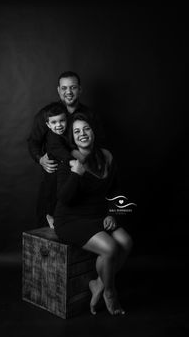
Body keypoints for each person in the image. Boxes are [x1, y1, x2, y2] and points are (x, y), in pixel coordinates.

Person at [53, 113, 133, 316]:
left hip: (97, 215)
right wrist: (76, 173)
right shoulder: (68, 162)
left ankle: (97, 283)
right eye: (77, 131)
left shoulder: (106, 156)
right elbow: (64, 199)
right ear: (72, 137)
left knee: (126, 241)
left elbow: (115, 190)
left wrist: (113, 213)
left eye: (86, 129)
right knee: (110, 247)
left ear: (93, 131)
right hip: (70, 219)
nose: (82, 134)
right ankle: (109, 291)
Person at [27, 71, 106, 227]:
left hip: (83, 179)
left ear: (80, 90)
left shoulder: (90, 115)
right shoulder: (46, 114)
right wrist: (40, 159)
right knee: (49, 223)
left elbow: (99, 144)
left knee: (78, 223)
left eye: (73, 87)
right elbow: (33, 142)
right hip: (54, 178)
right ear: (58, 90)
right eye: (64, 88)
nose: (68, 92)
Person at [43, 102, 85, 228]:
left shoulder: (67, 134)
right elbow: (61, 152)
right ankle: (50, 217)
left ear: (67, 120)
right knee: (53, 194)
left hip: (64, 171)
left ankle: (65, 215)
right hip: (53, 171)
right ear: (48, 125)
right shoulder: (52, 137)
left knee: (66, 193)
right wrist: (73, 162)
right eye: (54, 123)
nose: (59, 125)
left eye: (61, 121)